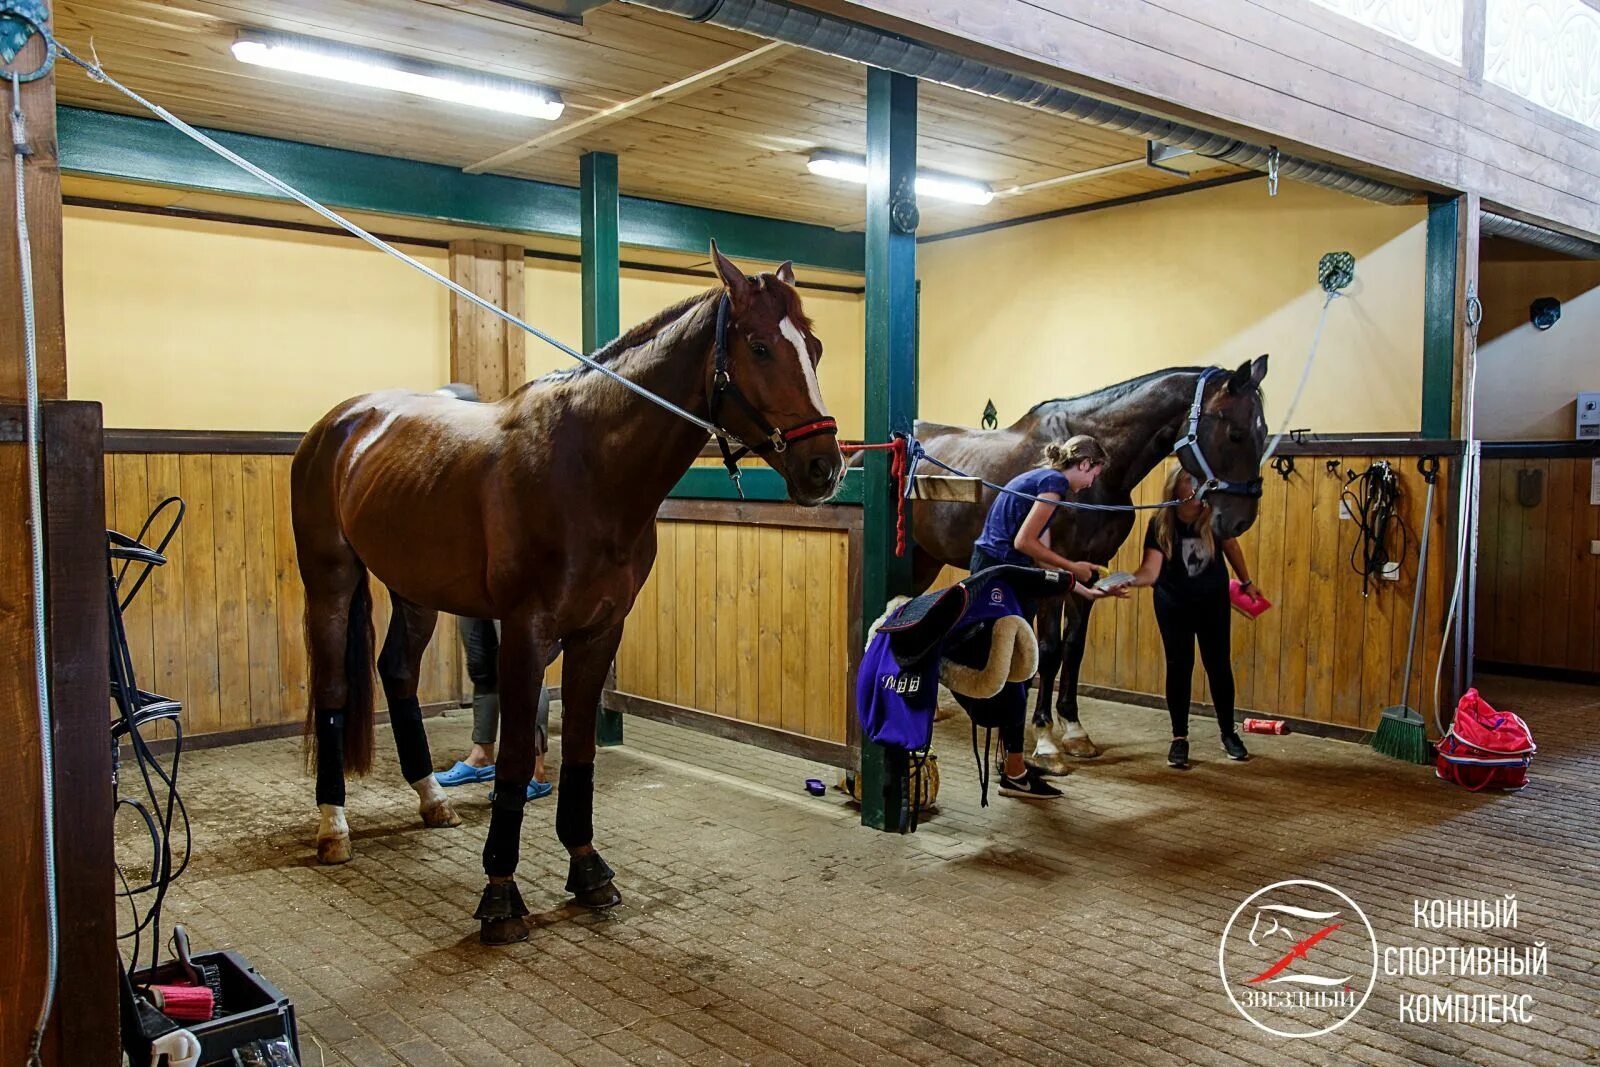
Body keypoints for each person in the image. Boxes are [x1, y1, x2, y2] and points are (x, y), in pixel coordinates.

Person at [969, 434, 1123, 799]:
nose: (1092, 483)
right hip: (1000, 572)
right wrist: (1075, 567)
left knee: (1020, 669)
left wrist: (1082, 588)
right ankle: (1013, 771)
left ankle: (1013, 764)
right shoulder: (1053, 483)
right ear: (1084, 464)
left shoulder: (1044, 482)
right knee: (1016, 670)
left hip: (1011, 572)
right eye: (1095, 474)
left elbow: (1041, 557)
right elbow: (1024, 543)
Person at [1130, 466, 1260, 769]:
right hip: (1172, 604)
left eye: (1201, 481)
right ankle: (1179, 738)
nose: (1198, 486)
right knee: (1179, 666)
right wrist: (1126, 580)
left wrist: (1246, 581)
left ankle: (1229, 733)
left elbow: (1231, 546)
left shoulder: (1215, 517)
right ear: (1176, 488)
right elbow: (1150, 570)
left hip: (1212, 603)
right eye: (1191, 481)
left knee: (1218, 666)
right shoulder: (1160, 522)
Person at [435, 616, 553, 800]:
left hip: (509, 589)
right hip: (473, 591)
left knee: (525, 667)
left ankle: (535, 771)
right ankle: (482, 756)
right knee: (481, 665)